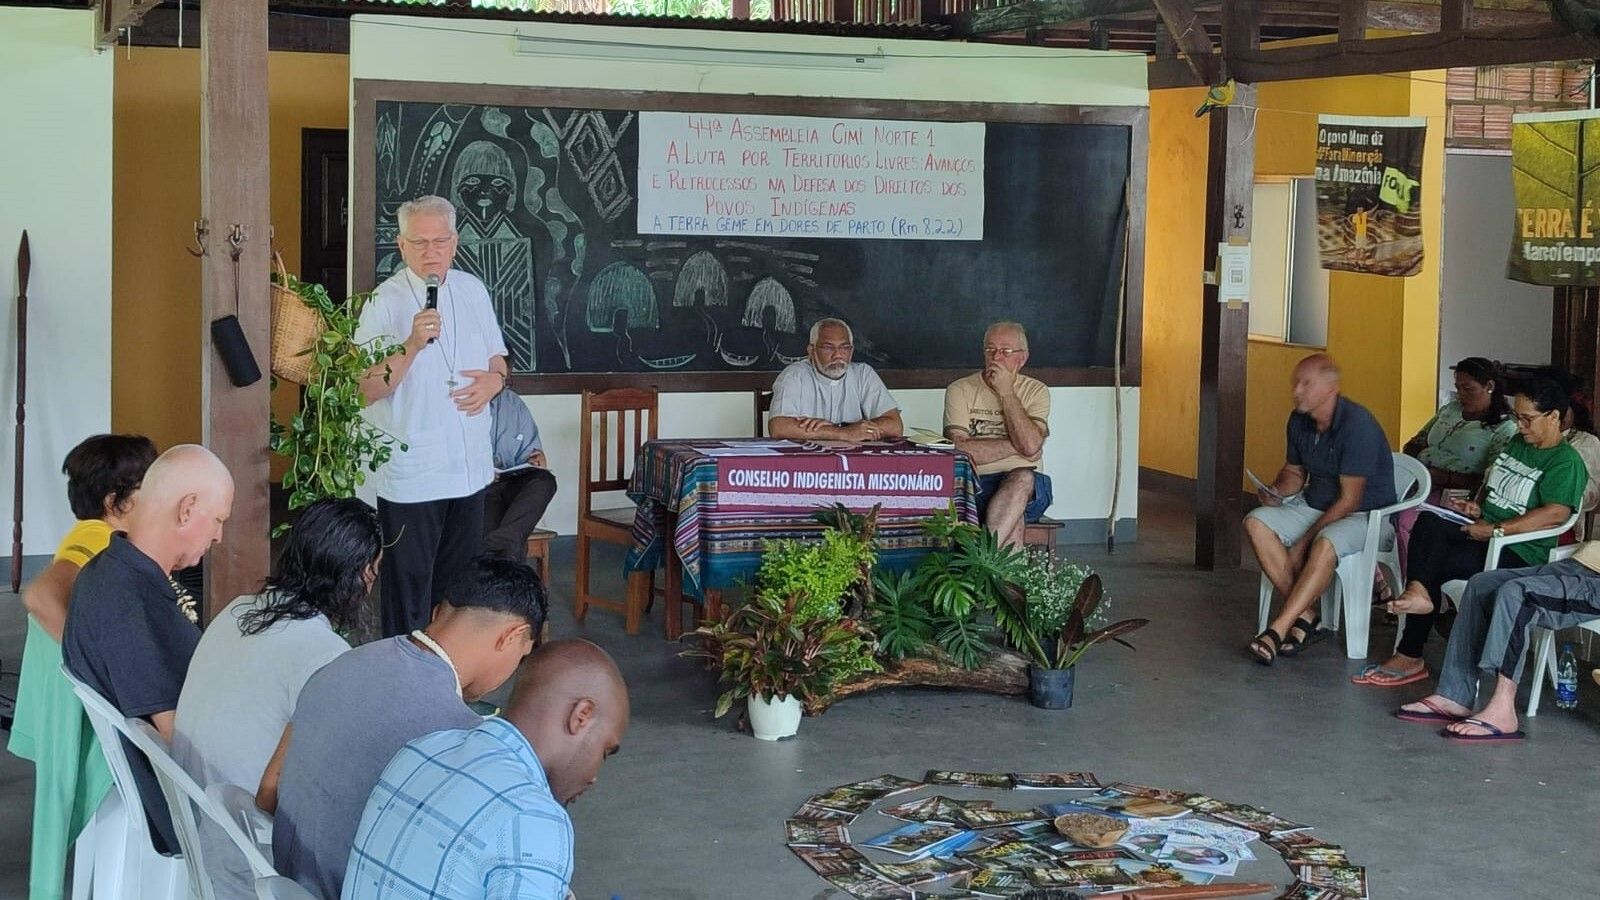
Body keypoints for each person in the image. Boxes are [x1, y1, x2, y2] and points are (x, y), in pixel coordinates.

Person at [263, 557, 547, 899]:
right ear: (512, 636)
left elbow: (269, 790)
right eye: (522, 655)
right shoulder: (456, 740)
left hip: (285, 881)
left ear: (438, 612)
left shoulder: (344, 661)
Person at [172, 498, 383, 900]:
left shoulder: (237, 609)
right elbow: (309, 791)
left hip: (199, 821)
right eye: (371, 572)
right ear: (355, 575)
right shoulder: (323, 655)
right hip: (249, 851)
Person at [342, 639, 629, 900]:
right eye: (604, 751)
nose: (594, 777)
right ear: (581, 716)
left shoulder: (422, 750)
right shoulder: (533, 817)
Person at [61, 443, 234, 855]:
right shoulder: (128, 602)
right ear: (187, 509)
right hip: (188, 813)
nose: (219, 535)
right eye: (218, 519)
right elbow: (178, 735)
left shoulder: (112, 569)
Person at [10, 434, 156, 900]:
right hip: (81, 716)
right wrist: (103, 668)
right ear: (116, 502)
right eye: (148, 488)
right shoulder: (97, 538)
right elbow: (39, 595)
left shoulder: (101, 535)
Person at [358, 194, 511, 638]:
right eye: (419, 242)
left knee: (457, 588)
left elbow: (499, 358)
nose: (431, 252)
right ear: (400, 245)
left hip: (468, 470)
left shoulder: (473, 290)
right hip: (414, 474)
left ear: (456, 241)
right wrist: (409, 345)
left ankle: (447, 678)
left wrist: (495, 382)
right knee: (408, 589)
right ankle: (403, 681)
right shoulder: (383, 303)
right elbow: (365, 389)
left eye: (440, 241)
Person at [1366, 379, 1587, 686]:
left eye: (1527, 419)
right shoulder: (1518, 444)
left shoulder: (1565, 462)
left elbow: (1556, 513)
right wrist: (1477, 508)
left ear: (1553, 417)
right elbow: (1497, 490)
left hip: (1516, 550)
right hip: (1483, 531)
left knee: (1434, 564)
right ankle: (1417, 594)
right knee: (1427, 522)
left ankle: (1410, 652)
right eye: (1517, 417)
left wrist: (1496, 529)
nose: (1520, 426)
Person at [1247, 354, 1395, 664]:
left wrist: (1302, 542)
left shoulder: (1357, 425)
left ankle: (1277, 629)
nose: (1296, 391)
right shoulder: (1299, 420)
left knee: (1325, 542)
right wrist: (1275, 491)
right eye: (1295, 383)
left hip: (1365, 515)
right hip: (1317, 505)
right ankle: (1307, 616)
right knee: (1256, 522)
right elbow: (1295, 473)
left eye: (1305, 384)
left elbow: (1350, 500)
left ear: (1331, 388)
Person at [1394, 546, 1600, 741]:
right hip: (1585, 562)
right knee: (1482, 584)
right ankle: (1454, 694)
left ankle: (1503, 709)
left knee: (1518, 594)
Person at [1386, 358, 1516, 578]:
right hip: (1419, 480)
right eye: (1457, 388)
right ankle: (1383, 582)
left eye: (1468, 389)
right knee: (1376, 510)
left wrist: (1441, 477)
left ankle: (1415, 585)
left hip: (1456, 493)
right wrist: (1414, 465)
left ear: (1490, 387)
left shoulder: (1504, 427)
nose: (1461, 395)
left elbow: (1489, 480)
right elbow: (1418, 440)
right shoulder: (1450, 410)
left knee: (1408, 520)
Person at [943, 321, 1053, 548]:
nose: (995, 357)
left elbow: (1031, 447)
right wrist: (1021, 446)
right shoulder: (960, 389)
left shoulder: (1036, 391)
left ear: (1021, 359)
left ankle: (980, 558)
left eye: (1005, 351)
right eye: (990, 350)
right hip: (973, 484)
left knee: (1022, 478)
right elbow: (960, 450)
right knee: (1012, 522)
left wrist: (1006, 394)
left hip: (1027, 486)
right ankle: (992, 574)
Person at [767, 317, 903, 443]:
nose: (838, 355)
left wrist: (849, 429)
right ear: (811, 351)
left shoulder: (863, 374)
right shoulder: (794, 375)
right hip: (806, 463)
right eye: (828, 348)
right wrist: (842, 433)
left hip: (855, 462)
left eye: (844, 348)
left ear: (851, 350)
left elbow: (895, 426)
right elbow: (778, 428)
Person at [483, 387, 558, 561]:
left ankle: (498, 549)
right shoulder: (459, 401)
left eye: (503, 378)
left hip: (512, 480)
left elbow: (530, 452)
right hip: (479, 488)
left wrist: (538, 461)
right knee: (503, 523)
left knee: (545, 481)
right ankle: (504, 556)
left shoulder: (513, 403)